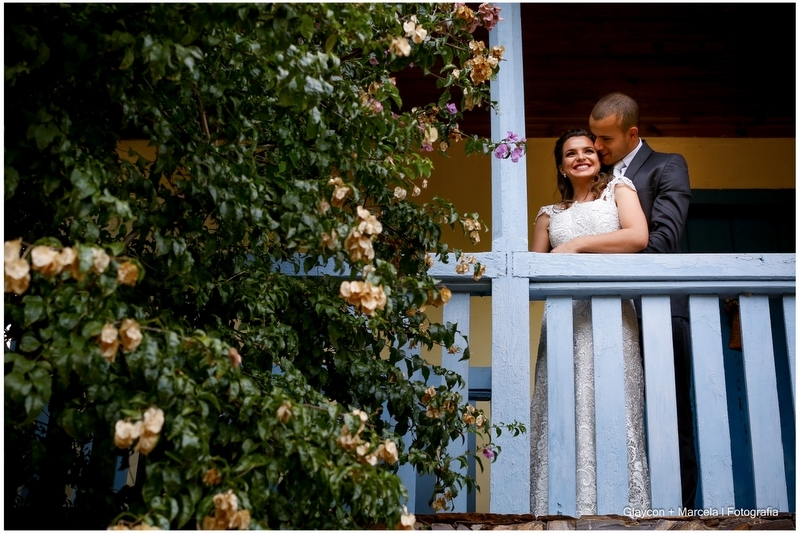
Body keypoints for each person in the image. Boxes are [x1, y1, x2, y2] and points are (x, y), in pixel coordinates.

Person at [529, 129, 651, 517]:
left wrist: (577, 245)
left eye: (588, 151)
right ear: (561, 166)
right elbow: (535, 271)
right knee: (561, 406)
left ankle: (623, 510)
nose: (581, 157)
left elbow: (637, 237)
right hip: (563, 321)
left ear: (598, 160)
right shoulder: (548, 215)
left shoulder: (620, 189)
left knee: (614, 402)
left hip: (613, 316)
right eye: (571, 153)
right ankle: (555, 508)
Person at [589, 92, 697, 510]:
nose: (596, 146)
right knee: (608, 411)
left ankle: (679, 513)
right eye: (593, 136)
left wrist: (594, 254)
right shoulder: (593, 176)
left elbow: (664, 240)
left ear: (632, 133)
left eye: (605, 139)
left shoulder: (667, 166)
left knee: (671, 413)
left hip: (658, 309)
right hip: (603, 314)